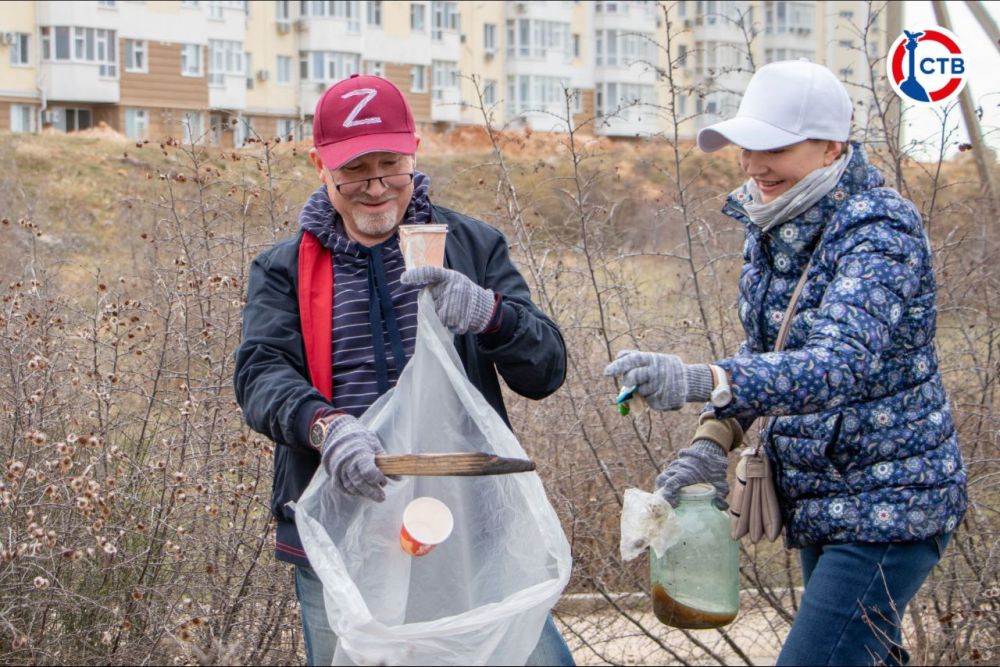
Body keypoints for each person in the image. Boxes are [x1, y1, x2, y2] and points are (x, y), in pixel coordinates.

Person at [604, 61, 967, 666]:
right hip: (824, 496)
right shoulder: (778, 223)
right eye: (747, 147)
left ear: (832, 146)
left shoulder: (880, 229)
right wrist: (711, 441)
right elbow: (767, 353)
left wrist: (699, 380)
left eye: (774, 148)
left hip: (892, 502)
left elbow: (837, 364)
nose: (753, 165)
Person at [234, 74, 574, 666]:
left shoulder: (472, 246)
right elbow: (260, 374)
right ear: (320, 166)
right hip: (343, 533)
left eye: (390, 166)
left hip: (471, 528)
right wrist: (326, 428)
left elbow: (545, 371)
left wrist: (492, 315)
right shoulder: (283, 269)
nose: (375, 188)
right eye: (355, 171)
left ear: (414, 154)